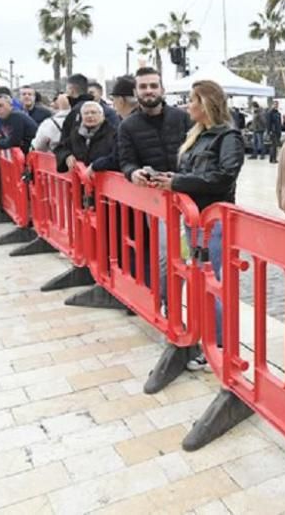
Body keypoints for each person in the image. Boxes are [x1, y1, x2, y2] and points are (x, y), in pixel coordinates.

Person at [151, 80, 245, 369]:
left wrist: (177, 181)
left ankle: (219, 345)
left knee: (212, 283)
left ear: (206, 104)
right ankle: (210, 339)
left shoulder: (228, 136)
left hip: (214, 221)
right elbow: (195, 172)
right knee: (203, 281)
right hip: (197, 220)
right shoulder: (199, 135)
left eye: (192, 99)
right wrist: (169, 177)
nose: (187, 105)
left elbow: (224, 177)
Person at [117, 67, 193, 307]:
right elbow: (125, 160)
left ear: (162, 89)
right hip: (157, 201)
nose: (148, 91)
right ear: (135, 91)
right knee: (165, 256)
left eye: (153, 86)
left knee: (195, 258)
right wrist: (132, 172)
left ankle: (195, 311)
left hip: (190, 195)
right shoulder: (128, 126)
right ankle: (167, 306)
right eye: (143, 87)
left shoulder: (183, 118)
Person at [54, 102, 115, 173]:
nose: (89, 116)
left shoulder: (113, 133)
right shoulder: (76, 133)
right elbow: (60, 148)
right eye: (86, 113)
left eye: (93, 112)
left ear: (102, 115)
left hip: (104, 179)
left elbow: (115, 157)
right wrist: (67, 156)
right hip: (79, 180)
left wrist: (97, 165)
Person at [60, 74, 120, 142]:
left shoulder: (74, 112)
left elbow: (64, 141)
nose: (89, 115)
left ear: (71, 90)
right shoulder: (103, 110)